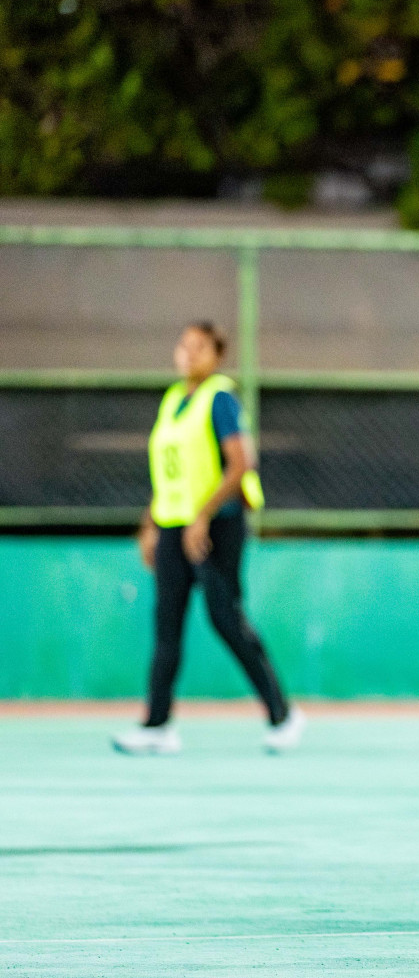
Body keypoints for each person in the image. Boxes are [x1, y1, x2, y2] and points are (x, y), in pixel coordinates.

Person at [113, 321, 304, 756]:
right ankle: (157, 725)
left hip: (217, 525)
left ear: (216, 355)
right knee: (167, 624)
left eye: (200, 347)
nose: (189, 353)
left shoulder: (220, 399)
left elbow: (241, 464)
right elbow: (171, 476)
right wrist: (151, 525)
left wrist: (203, 516)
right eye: (184, 345)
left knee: (226, 618)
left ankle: (283, 715)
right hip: (174, 525)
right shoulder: (172, 401)